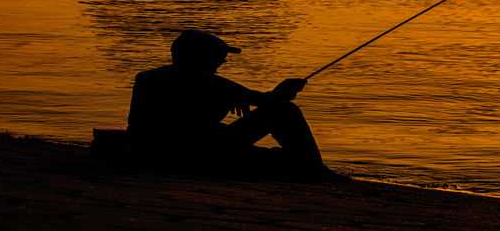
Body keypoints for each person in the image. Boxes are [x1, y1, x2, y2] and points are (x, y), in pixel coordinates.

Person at [127, 29, 342, 180]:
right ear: (203, 57)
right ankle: (314, 170)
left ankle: (304, 166)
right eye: (219, 56)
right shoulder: (210, 82)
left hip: (156, 151)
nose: (223, 61)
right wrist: (285, 90)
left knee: (276, 156)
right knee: (285, 111)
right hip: (196, 155)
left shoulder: (147, 77)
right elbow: (269, 102)